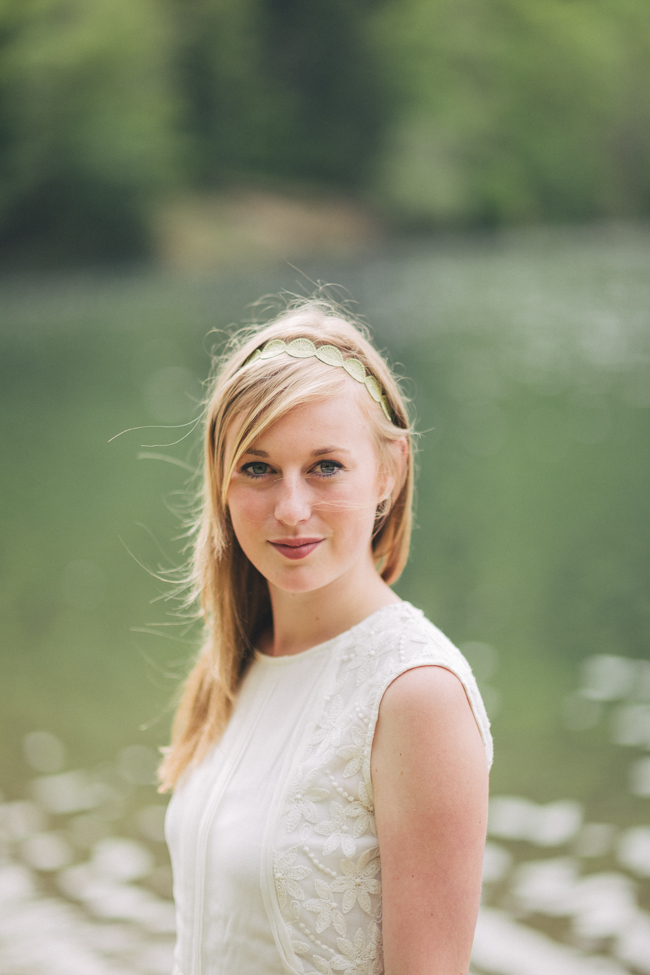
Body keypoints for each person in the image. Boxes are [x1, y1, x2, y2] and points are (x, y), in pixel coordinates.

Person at [161, 299, 492, 975]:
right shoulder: (237, 658)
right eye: (257, 467)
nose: (290, 509)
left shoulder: (416, 695)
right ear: (220, 479)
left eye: (326, 466)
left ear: (389, 469)